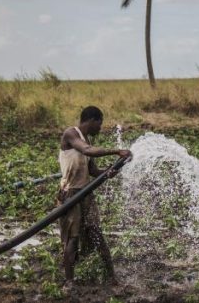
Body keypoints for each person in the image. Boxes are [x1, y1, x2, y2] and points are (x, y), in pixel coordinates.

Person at [57, 106, 131, 290]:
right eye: (100, 124)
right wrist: (116, 151)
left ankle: (111, 277)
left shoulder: (87, 139)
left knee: (96, 233)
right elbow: (87, 150)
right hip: (71, 194)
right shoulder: (71, 134)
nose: (100, 128)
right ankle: (69, 282)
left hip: (86, 193)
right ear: (92, 120)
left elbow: (92, 171)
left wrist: (110, 172)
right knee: (72, 238)